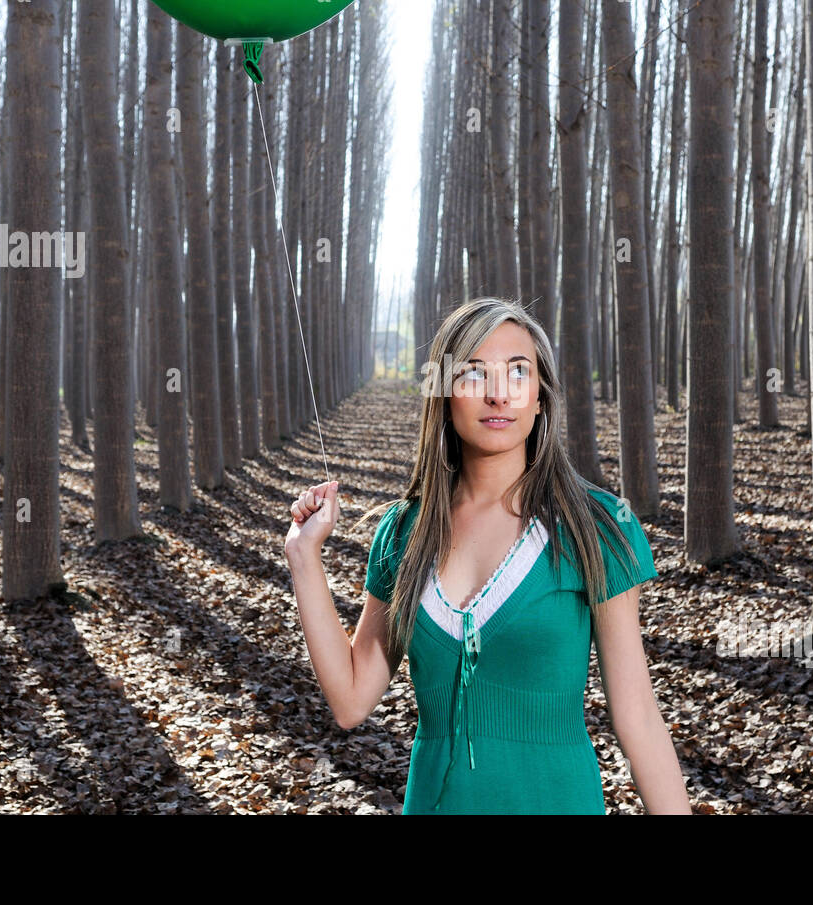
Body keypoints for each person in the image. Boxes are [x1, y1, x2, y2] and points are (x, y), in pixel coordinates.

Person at [284, 297, 691, 814]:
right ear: (445, 394)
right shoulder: (404, 533)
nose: (499, 394)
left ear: (540, 397)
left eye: (518, 373)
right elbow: (350, 700)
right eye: (475, 373)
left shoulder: (599, 527)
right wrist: (304, 558)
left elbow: (638, 719)